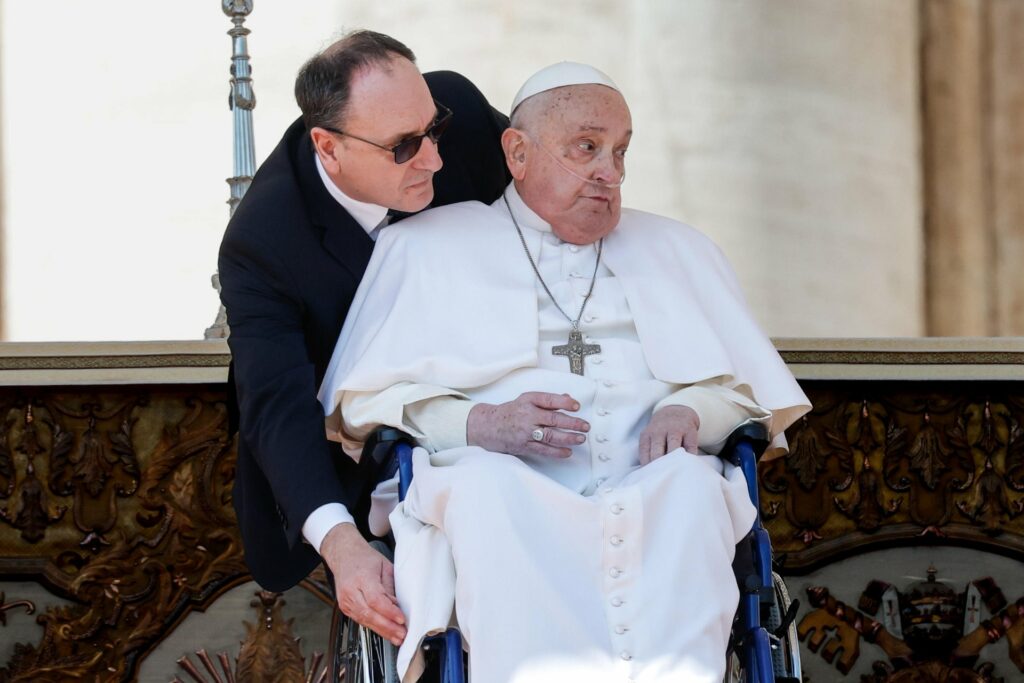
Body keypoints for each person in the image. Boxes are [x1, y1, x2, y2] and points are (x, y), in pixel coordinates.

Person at [319, 62, 811, 682]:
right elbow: (363, 405)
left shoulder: (680, 249)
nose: (610, 171)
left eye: (620, 151)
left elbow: (749, 398)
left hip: (655, 493)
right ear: (518, 153)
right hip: (504, 490)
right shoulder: (425, 247)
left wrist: (691, 409)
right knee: (485, 490)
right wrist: (477, 423)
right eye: (586, 147)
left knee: (693, 487)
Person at [217, 29, 509, 646]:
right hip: (356, 447)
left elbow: (558, 195)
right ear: (328, 148)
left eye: (434, 129)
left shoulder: (460, 113)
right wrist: (342, 545)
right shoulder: (263, 241)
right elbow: (277, 405)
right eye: (404, 147)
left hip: (496, 399)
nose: (434, 159)